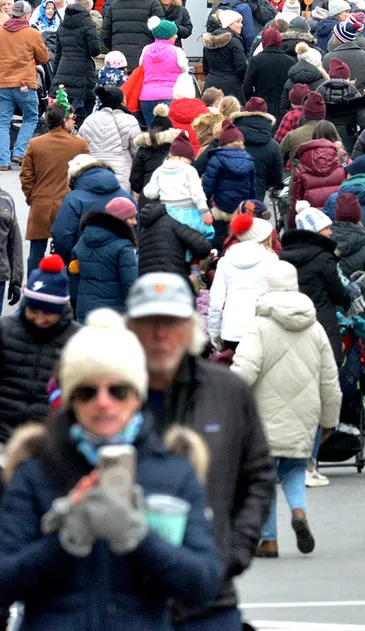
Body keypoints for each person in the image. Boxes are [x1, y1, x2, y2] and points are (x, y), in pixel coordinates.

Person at [0, 306, 224, 627]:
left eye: (118, 391)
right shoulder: (36, 471)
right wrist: (64, 542)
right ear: (72, 399)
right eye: (88, 391)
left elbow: (203, 584)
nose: (103, 402)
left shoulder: (174, 471)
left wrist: (138, 537)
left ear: (137, 396)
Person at [232, 259, 341, 558]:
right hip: (305, 412)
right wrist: (329, 419)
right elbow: (330, 378)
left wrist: (226, 400)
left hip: (263, 414)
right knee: (294, 468)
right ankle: (299, 513)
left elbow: (245, 368)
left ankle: (268, 540)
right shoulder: (315, 327)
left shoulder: (259, 326)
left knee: (263, 475)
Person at [0, 254, 78, 442]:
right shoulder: (5, 330)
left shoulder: (76, 341)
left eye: (48, 313)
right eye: (33, 311)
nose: (39, 319)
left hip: (48, 440)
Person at [20, 106, 89, 277]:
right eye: (72, 117)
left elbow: (26, 176)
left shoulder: (35, 144)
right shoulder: (79, 144)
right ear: (64, 120)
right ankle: (61, 289)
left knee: (36, 252)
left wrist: (32, 197)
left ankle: (33, 289)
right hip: (68, 206)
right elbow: (88, 173)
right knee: (64, 252)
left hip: (41, 204)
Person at [279, 207, 351, 364]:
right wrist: (348, 299)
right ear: (315, 232)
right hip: (323, 318)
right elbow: (338, 292)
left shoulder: (284, 256)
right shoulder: (323, 257)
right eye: (326, 228)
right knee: (330, 363)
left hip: (295, 318)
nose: (330, 232)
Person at [208, 214, 279, 352]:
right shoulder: (271, 260)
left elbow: (216, 302)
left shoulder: (225, 261)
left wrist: (214, 333)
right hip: (263, 329)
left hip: (231, 331)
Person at [51, 153, 132, 262]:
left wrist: (67, 259)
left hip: (81, 262)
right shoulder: (125, 196)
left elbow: (62, 234)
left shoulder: (73, 198)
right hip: (121, 260)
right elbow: (135, 228)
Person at [69, 196, 139, 319]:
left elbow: (74, 276)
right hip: (113, 313)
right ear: (120, 220)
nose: (135, 222)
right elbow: (130, 285)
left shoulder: (83, 239)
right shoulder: (123, 246)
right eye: (131, 218)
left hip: (85, 308)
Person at [0, 0, 49, 169]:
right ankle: (19, 153)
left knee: (2, 122)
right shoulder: (32, 33)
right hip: (25, 84)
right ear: (27, 15)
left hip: (3, 83)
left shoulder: (0, 31)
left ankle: (3, 161)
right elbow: (43, 58)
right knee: (30, 118)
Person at [51, 0, 100, 121]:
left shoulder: (62, 25)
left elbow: (58, 54)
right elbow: (95, 50)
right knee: (86, 109)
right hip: (83, 71)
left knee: (65, 110)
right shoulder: (88, 24)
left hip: (63, 70)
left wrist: (54, 78)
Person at [78, 86, 141, 189]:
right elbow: (136, 150)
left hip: (93, 170)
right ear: (121, 101)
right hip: (121, 172)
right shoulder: (129, 120)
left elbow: (79, 146)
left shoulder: (90, 120)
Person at [100, 0, 160, 69]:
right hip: (145, 59)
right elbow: (160, 32)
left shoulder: (115, 3)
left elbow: (105, 33)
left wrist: (115, 48)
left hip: (118, 60)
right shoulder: (153, 3)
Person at [203, 12, 249, 98]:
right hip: (231, 86)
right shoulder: (235, 41)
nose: (241, 25)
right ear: (229, 24)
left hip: (211, 84)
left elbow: (205, 67)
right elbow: (241, 67)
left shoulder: (209, 40)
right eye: (238, 22)